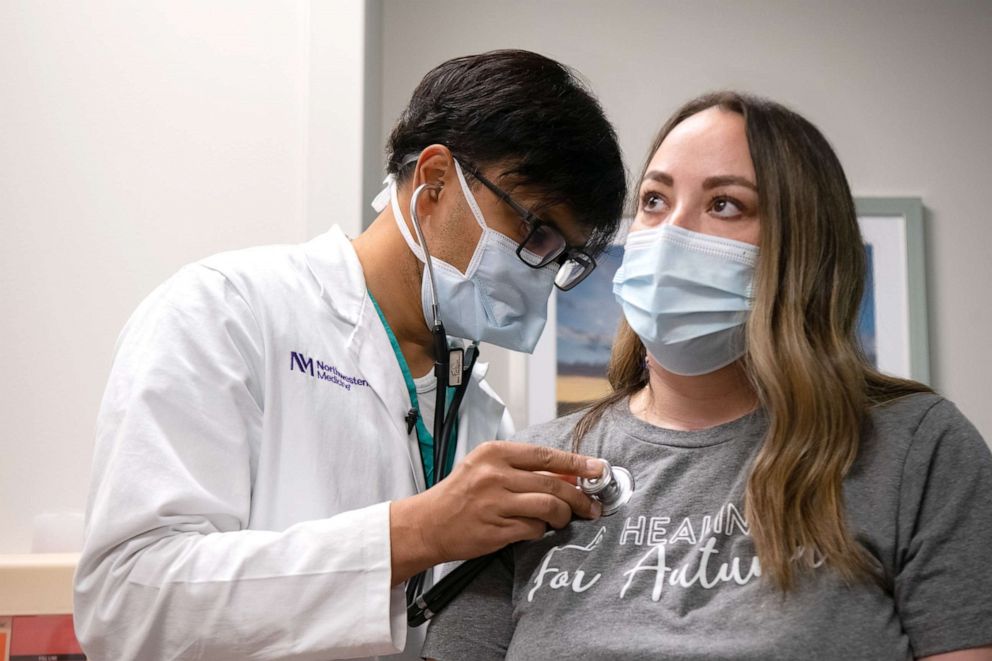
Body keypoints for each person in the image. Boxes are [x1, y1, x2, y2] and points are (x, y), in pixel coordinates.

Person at [73, 50, 628, 660]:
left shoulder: (475, 410)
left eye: (563, 255)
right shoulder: (226, 312)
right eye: (535, 230)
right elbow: (126, 601)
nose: (544, 269)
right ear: (436, 180)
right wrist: (415, 533)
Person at [422, 92, 992, 660]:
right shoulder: (530, 471)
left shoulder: (916, 449)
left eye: (724, 204)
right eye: (653, 200)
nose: (671, 233)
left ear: (804, 247)